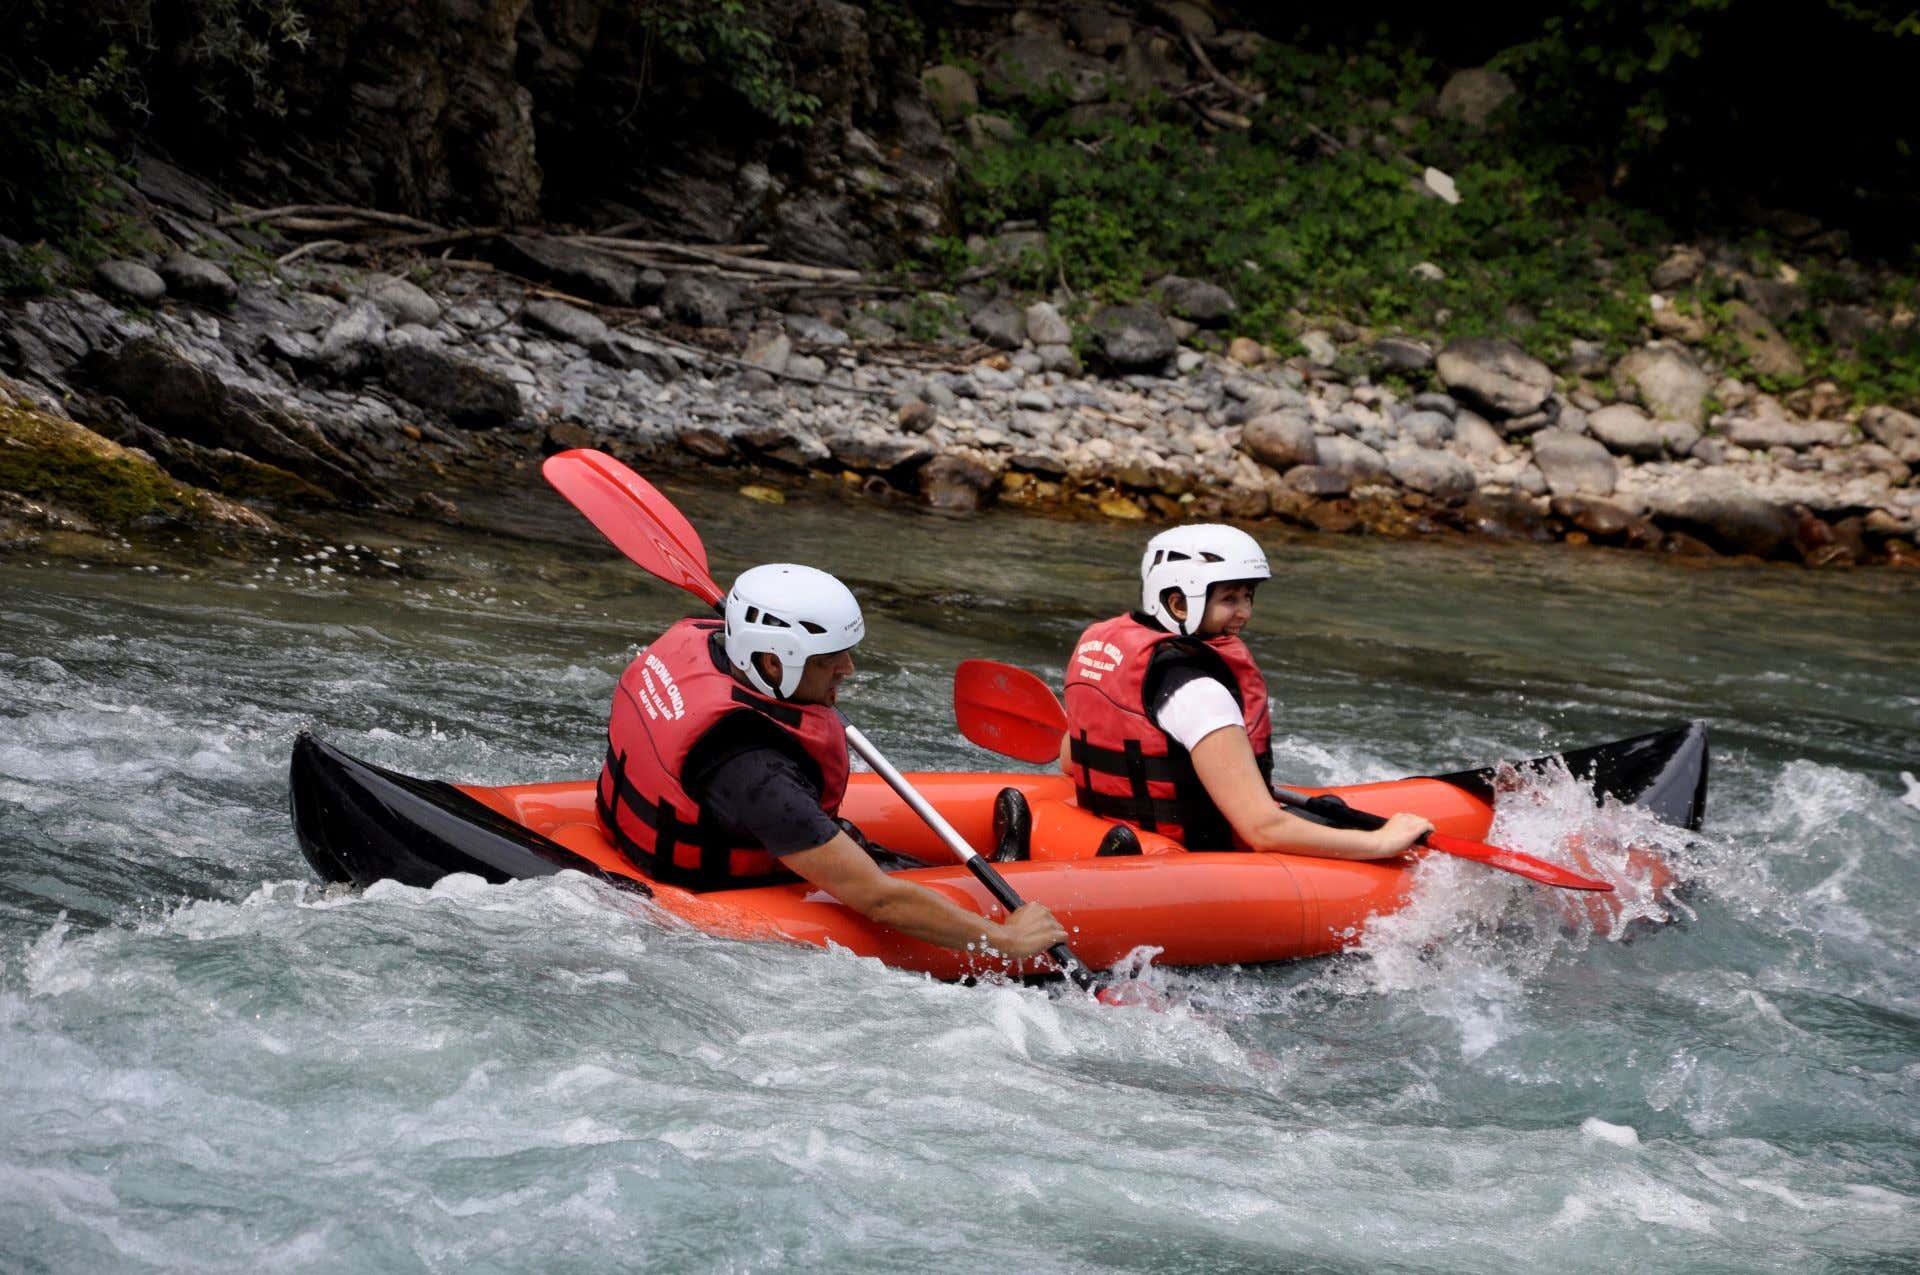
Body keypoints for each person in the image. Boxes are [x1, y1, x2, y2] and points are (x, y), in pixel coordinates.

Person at [598, 562, 1066, 959]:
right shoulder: (756, 772)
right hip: (718, 892)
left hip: (680, 834)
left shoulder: (713, 648)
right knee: (876, 870)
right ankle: (1009, 880)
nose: (848, 669)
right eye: (829, 660)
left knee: (861, 843)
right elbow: (878, 900)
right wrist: (1005, 939)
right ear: (774, 663)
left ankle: (1003, 866)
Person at [1061, 525, 1433, 859]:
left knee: (1322, 808)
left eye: (1248, 596)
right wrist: (1383, 842)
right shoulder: (1200, 691)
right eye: (1230, 599)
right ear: (1178, 602)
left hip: (1121, 832)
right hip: (1197, 860)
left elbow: (1068, 761)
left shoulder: (1109, 652)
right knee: (1336, 819)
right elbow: (1263, 830)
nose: (1245, 612)